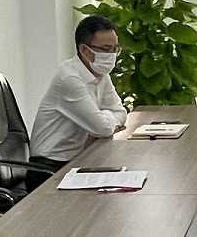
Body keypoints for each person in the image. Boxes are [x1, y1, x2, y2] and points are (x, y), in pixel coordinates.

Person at [29, 14, 128, 173]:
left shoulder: (101, 73)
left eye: (115, 49)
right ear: (84, 49)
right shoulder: (69, 78)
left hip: (79, 158)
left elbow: (121, 112)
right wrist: (108, 119)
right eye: (105, 49)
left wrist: (104, 118)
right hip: (49, 167)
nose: (112, 55)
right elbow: (102, 128)